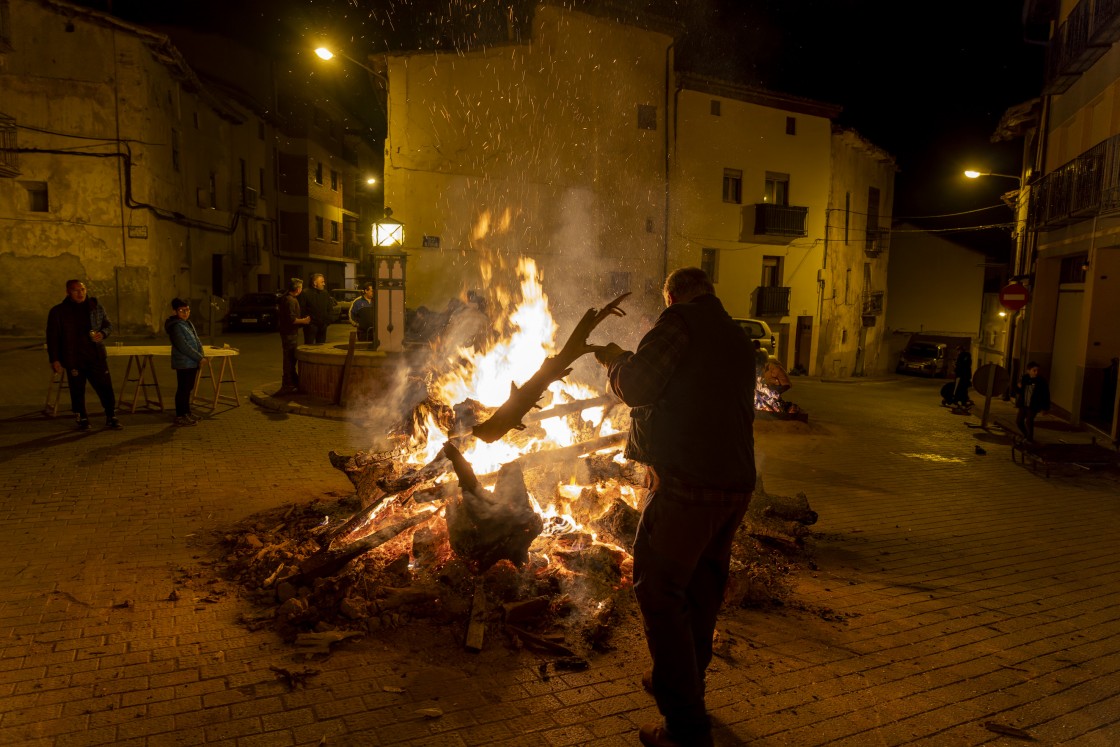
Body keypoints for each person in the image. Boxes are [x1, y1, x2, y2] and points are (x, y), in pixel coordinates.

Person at [593, 267, 755, 747]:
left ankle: (684, 725)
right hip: (733, 486)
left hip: (688, 485)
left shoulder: (678, 324)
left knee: (659, 592)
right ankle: (684, 679)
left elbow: (639, 386)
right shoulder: (736, 335)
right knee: (701, 591)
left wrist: (617, 362)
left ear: (673, 295)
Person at [46, 279, 123, 431]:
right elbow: (52, 337)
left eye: (82, 289)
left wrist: (103, 333)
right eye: (75, 290)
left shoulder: (95, 307)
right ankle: (82, 417)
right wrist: (55, 359)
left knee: (105, 387)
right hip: (73, 358)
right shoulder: (58, 312)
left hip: (95, 356)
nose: (80, 293)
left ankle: (111, 415)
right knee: (77, 389)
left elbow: (108, 325)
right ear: (68, 292)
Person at [164, 298, 205, 426]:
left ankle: (187, 412)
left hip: (192, 362)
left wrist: (201, 355)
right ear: (174, 311)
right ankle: (180, 415)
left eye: (187, 310)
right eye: (182, 310)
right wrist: (199, 357)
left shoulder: (188, 323)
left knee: (188, 388)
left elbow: (197, 340)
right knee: (183, 389)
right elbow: (183, 346)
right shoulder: (175, 326)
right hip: (184, 363)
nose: (185, 313)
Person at [278, 278, 310, 393]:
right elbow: (292, 319)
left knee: (290, 358)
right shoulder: (290, 300)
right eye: (301, 287)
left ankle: (290, 381)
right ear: (297, 289)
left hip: (288, 332)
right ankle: (288, 383)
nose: (301, 289)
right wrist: (304, 321)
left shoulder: (286, 298)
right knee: (289, 358)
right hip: (289, 333)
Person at [1015, 361, 1051, 442]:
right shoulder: (1025, 378)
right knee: (1019, 421)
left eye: (1037, 370)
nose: (1036, 372)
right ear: (1028, 370)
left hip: (1033, 405)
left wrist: (1045, 408)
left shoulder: (1041, 381)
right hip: (1024, 405)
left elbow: (1046, 395)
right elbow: (1018, 392)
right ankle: (1026, 434)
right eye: (1034, 370)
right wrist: (1019, 387)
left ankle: (1030, 438)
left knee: (1029, 421)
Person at [298, 273, 335, 344]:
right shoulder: (305, 293)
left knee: (321, 347)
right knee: (309, 347)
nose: (324, 284)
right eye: (322, 282)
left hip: (323, 326)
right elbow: (302, 309)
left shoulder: (325, 293)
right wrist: (308, 322)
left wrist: (328, 321)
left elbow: (330, 308)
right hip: (310, 327)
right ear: (315, 283)